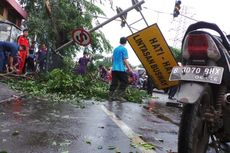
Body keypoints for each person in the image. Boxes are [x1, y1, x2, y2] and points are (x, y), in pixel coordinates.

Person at [108, 37, 133, 102]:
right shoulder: (124, 49)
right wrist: (129, 68)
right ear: (126, 42)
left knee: (114, 82)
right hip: (120, 69)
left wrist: (113, 66)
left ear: (120, 41)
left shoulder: (115, 49)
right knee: (125, 81)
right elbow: (124, 59)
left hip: (114, 69)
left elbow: (113, 58)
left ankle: (110, 96)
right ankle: (119, 96)